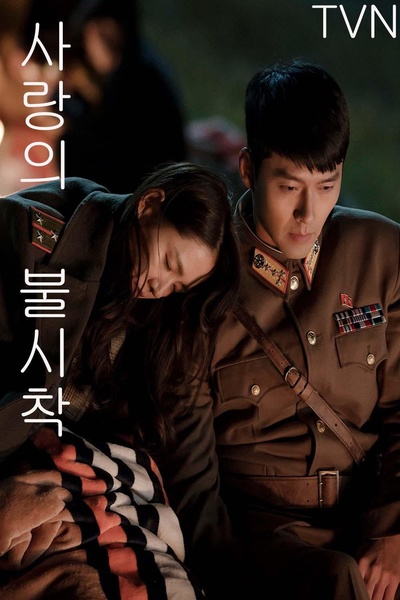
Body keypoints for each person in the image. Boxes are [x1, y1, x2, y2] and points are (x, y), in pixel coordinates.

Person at [156, 60, 400, 600]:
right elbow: (192, 476)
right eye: (289, 186)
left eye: (328, 185)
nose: (308, 214)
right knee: (336, 580)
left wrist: (393, 529)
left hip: (374, 516)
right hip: (267, 540)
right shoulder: (203, 280)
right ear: (247, 169)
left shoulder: (381, 256)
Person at [0, 161, 241, 598]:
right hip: (20, 458)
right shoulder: (34, 232)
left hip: (106, 483)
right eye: (167, 261)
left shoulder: (169, 320)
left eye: (178, 285)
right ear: (149, 204)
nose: (160, 286)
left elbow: (187, 454)